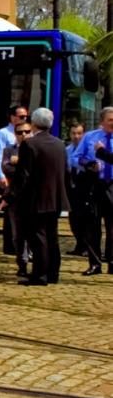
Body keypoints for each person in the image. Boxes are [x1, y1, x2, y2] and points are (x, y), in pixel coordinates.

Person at [10, 107, 68, 286]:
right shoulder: (59, 144)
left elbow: (23, 175)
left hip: (36, 199)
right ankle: (53, 273)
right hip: (55, 198)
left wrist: (11, 195)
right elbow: (65, 173)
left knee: (38, 237)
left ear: (34, 123)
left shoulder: (30, 144)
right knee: (52, 236)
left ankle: (40, 274)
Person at [74, 107, 113, 275]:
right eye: (110, 120)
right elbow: (74, 158)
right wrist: (88, 165)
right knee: (92, 226)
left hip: (112, 186)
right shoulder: (90, 137)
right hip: (94, 185)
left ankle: (112, 262)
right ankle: (95, 264)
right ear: (102, 121)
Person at [0, 105, 28, 255]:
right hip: (9, 177)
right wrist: (0, 175)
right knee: (10, 212)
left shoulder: (27, 133)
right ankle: (10, 245)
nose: (24, 119)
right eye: (21, 117)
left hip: (22, 178)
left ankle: (19, 244)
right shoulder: (3, 134)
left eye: (25, 116)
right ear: (12, 117)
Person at [0, 123, 33, 276]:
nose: (24, 134)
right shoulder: (9, 150)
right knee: (17, 235)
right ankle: (22, 263)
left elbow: (34, 170)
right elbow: (6, 168)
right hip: (14, 198)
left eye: (27, 131)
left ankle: (33, 257)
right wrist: (21, 164)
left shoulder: (35, 149)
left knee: (32, 232)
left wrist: (18, 161)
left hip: (33, 198)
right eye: (20, 132)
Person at [65, 121, 88, 256]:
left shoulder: (88, 150)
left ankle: (85, 246)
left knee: (84, 220)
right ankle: (79, 245)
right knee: (73, 220)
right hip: (71, 189)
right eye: (73, 133)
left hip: (84, 189)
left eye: (79, 133)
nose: (76, 136)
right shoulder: (67, 150)